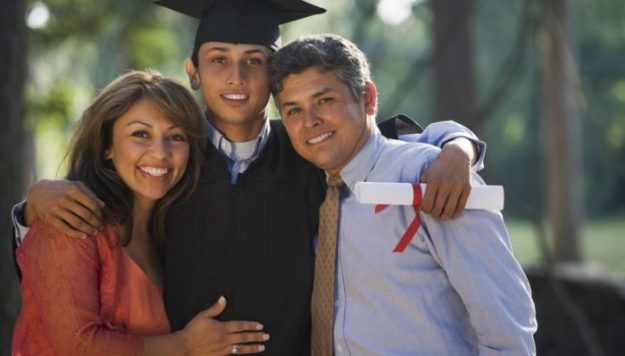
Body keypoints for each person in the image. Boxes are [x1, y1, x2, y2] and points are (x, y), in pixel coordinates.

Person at [11, 0, 487, 354]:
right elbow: (92, 259)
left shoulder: (308, 151)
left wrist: (460, 146)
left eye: (253, 62)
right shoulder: (174, 160)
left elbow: (397, 140)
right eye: (218, 59)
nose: (236, 78)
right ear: (193, 72)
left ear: (273, 77)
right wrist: (33, 204)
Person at [269, 34, 537, 354]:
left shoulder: (430, 178)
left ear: (367, 98)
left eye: (325, 100)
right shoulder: (309, 187)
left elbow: (507, 331)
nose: (310, 122)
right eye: (293, 110)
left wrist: (459, 149)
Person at [12, 70, 269, 355]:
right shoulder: (71, 221)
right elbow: (77, 346)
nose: (160, 153)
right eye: (140, 134)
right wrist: (184, 345)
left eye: (176, 137)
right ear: (107, 145)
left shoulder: (174, 234)